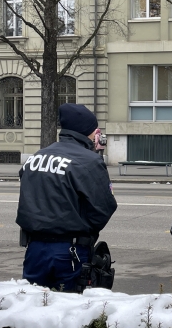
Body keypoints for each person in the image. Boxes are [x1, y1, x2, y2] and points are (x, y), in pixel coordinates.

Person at [15, 104, 118, 292]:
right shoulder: (89, 161)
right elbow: (103, 208)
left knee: (31, 308)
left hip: (35, 248)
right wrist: (85, 230)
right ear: (86, 131)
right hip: (70, 251)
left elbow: (27, 197)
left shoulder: (37, 157)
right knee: (70, 312)